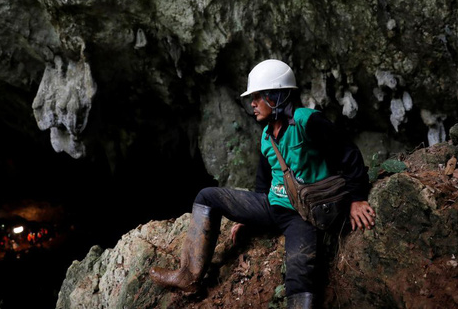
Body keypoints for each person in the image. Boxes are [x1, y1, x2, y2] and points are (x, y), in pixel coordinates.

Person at [149, 59, 375, 308]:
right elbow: (262, 181)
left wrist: (356, 198)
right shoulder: (267, 136)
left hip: (300, 214)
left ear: (275, 96)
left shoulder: (307, 121)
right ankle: (188, 276)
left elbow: (349, 153)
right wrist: (250, 216)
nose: (252, 104)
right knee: (206, 196)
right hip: (270, 206)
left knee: (300, 275)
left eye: (257, 97)